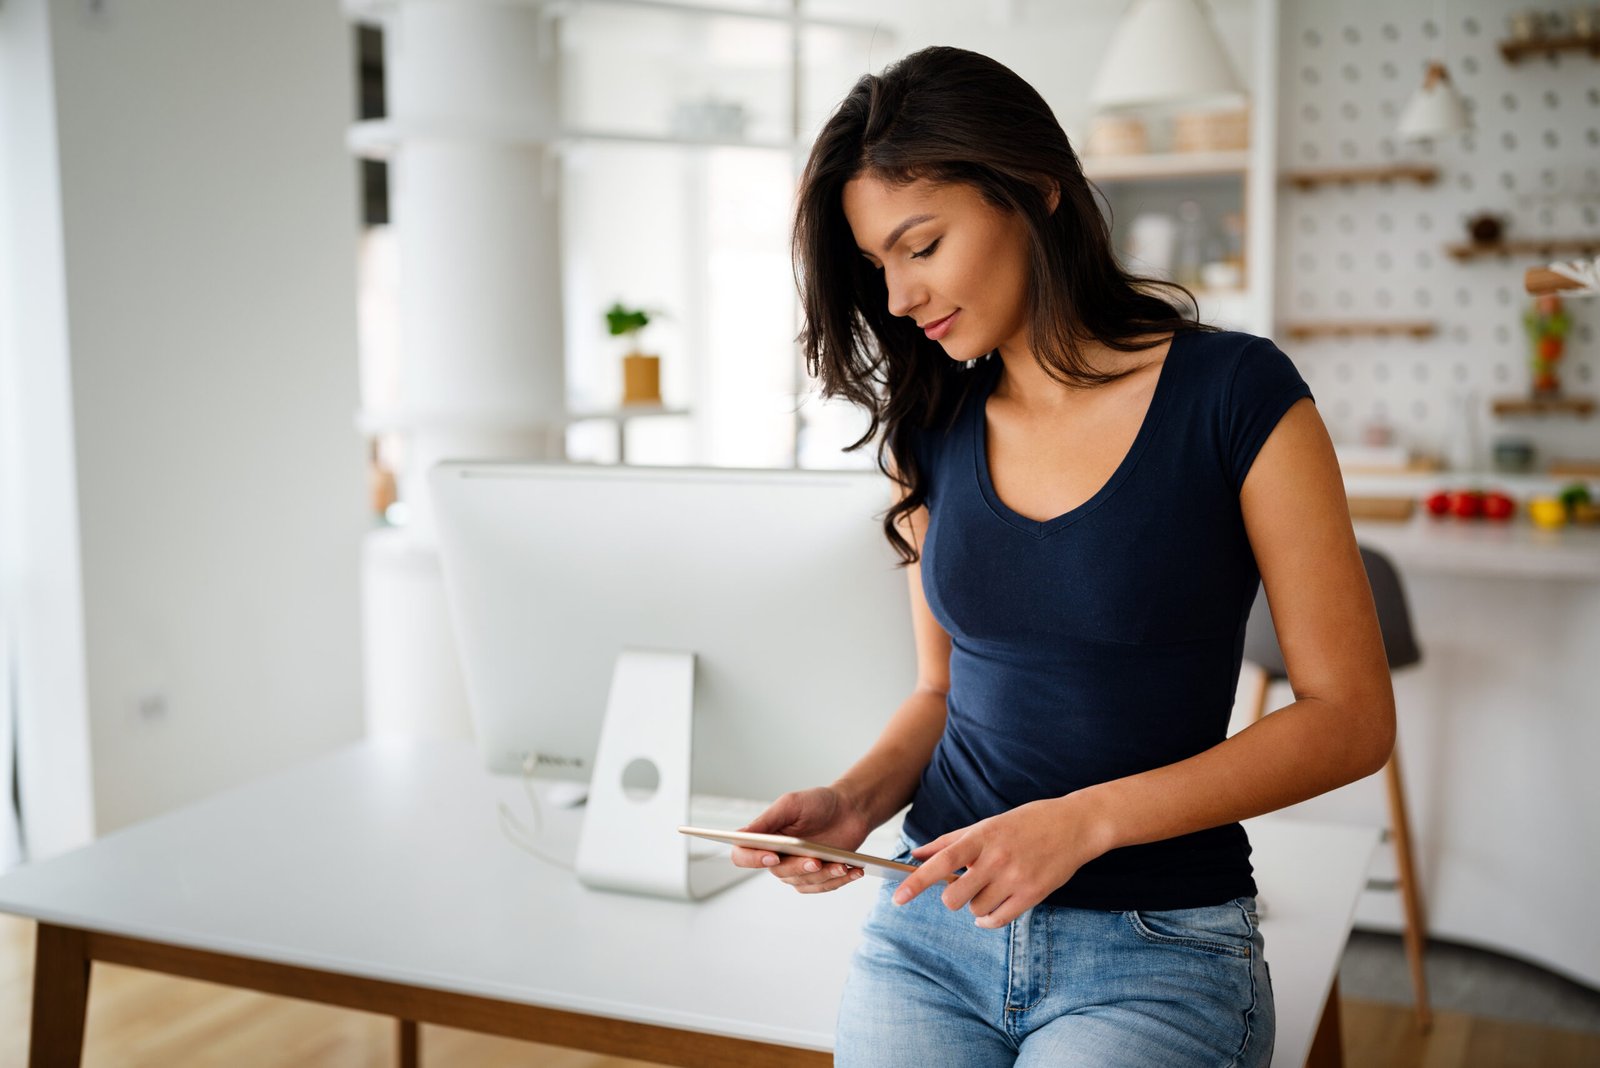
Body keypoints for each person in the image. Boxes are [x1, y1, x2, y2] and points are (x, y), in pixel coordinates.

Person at [729, 45, 1394, 1067]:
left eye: (922, 245)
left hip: (1153, 948)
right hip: (931, 928)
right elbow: (941, 693)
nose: (900, 297)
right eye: (877, 266)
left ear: (1034, 189)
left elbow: (1348, 719)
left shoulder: (1236, 395)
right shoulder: (930, 425)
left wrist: (1079, 825)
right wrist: (853, 804)